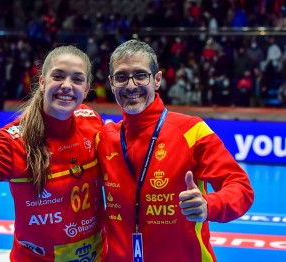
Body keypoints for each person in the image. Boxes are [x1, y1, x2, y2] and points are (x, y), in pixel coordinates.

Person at [95, 39, 254, 262]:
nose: (131, 86)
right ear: (112, 83)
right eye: (121, 77)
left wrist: (209, 205)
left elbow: (241, 188)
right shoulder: (104, 138)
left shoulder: (191, 130)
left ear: (157, 79)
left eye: (141, 75)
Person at [0, 45, 106, 262]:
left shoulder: (92, 120)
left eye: (77, 79)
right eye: (58, 76)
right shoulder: (9, 141)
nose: (67, 86)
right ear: (42, 82)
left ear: (86, 89)